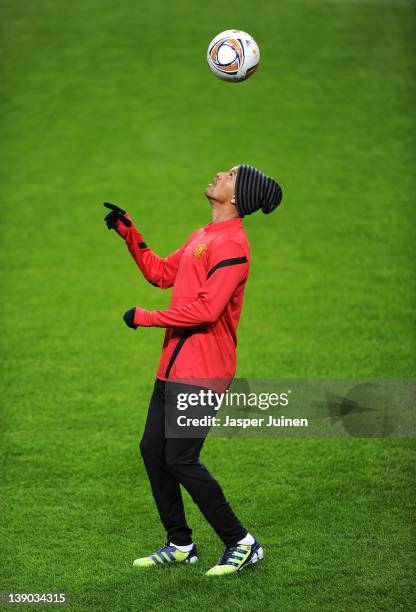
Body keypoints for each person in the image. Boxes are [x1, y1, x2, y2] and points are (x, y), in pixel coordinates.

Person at [104, 164, 282, 576]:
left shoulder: (234, 246)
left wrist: (146, 318)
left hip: (204, 371)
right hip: (173, 367)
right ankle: (180, 543)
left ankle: (242, 542)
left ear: (239, 197)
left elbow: (207, 310)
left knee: (182, 458)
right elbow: (161, 273)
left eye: (233, 174)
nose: (221, 173)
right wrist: (130, 233)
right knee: (153, 450)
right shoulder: (203, 236)